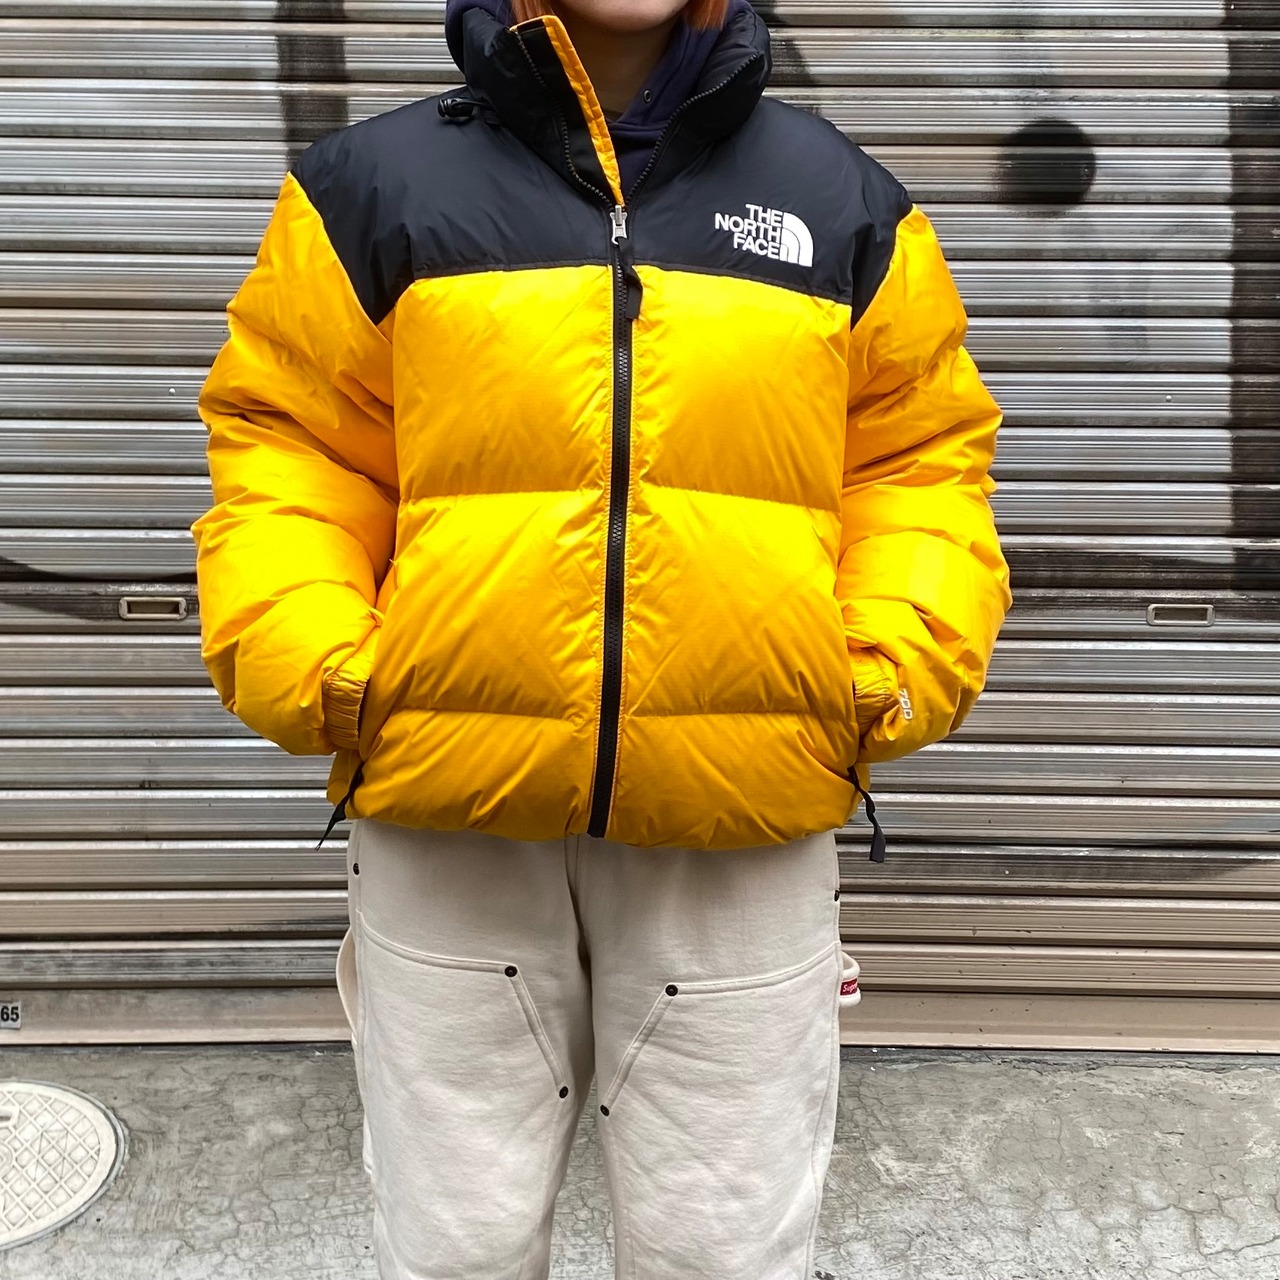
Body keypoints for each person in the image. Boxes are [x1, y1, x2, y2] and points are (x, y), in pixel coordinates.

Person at [191, 0, 1011, 1274]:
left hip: (739, 823)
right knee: (455, 1247)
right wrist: (332, 669)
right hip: (447, 814)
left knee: (723, 1249)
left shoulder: (839, 200)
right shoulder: (369, 187)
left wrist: (873, 670)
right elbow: (289, 449)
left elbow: (915, 462)